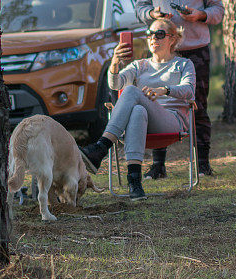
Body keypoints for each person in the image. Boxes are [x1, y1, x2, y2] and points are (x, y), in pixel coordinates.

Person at [135, 0, 223, 178]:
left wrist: (200, 15)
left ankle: (203, 164)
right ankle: (158, 166)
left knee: (199, 105)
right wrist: (153, 15)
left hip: (196, 52)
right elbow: (140, 8)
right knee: (158, 104)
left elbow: (218, 10)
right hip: (162, 53)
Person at [79, 18, 195, 201]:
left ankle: (101, 147)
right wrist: (115, 63)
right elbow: (116, 84)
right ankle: (135, 182)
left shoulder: (183, 65)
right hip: (144, 123)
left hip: (172, 122)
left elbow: (189, 90)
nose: (153, 38)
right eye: (149, 34)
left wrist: (164, 90)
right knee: (137, 111)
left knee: (132, 91)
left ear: (172, 39)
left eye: (159, 34)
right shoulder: (139, 65)